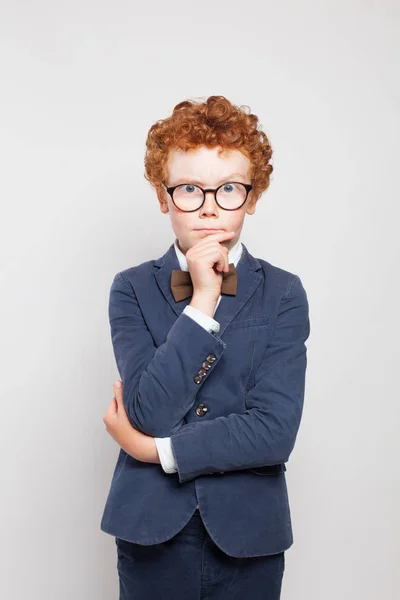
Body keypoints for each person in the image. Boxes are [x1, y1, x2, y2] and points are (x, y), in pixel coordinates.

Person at [101, 95, 310, 599]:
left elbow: (274, 432)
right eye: (190, 189)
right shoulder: (130, 287)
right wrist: (202, 301)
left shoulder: (284, 292)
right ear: (163, 196)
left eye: (229, 189)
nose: (211, 206)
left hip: (248, 535)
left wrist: (154, 451)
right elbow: (148, 410)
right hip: (151, 532)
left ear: (252, 197)